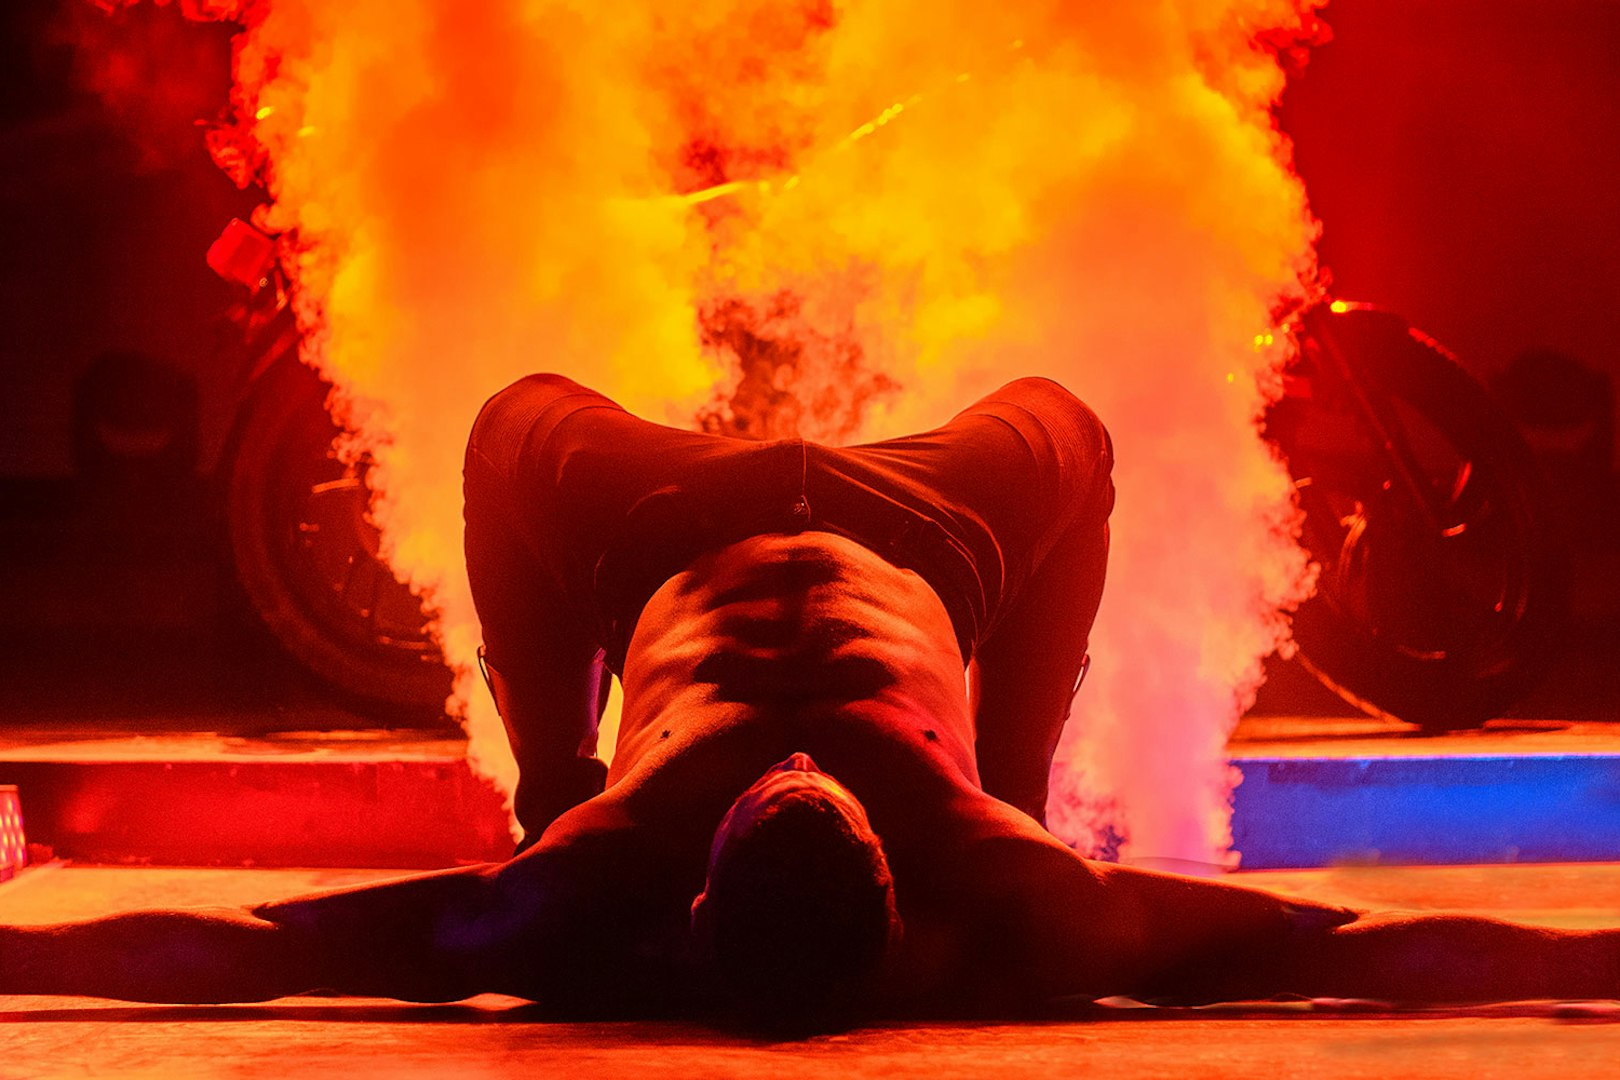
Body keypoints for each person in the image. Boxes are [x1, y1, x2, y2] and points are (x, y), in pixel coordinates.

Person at [2, 374, 1616, 1031]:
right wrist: (1591, 957)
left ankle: (539, 757)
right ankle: (1037, 761)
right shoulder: (1018, 894)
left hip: (660, 522)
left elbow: (266, 954)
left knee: (508, 424)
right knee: (1072, 421)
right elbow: (1343, 956)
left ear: (693, 883)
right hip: (931, 524)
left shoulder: (580, 888)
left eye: (774, 801)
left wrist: (15, 951)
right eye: (825, 798)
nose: (790, 762)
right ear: (902, 869)